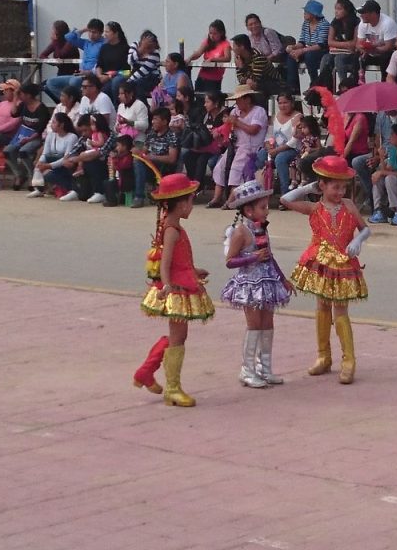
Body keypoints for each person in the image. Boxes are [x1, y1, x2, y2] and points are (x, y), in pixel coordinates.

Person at [280, 156, 369, 384]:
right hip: (320, 261)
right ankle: (323, 356)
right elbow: (286, 199)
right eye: (335, 186)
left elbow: (365, 229)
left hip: (343, 262)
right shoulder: (314, 208)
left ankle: (348, 361)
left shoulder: (349, 205)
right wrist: (308, 187)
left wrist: (358, 240)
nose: (340, 191)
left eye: (343, 187)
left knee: (340, 310)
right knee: (322, 307)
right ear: (322, 186)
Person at [133, 173, 215, 407]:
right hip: (177, 289)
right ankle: (172, 389)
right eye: (190, 201)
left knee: (178, 335)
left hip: (182, 281)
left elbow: (179, 260)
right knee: (179, 337)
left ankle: (146, 372)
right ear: (180, 204)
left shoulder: (172, 225)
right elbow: (166, 262)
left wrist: (193, 269)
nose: (191, 206)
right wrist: (168, 285)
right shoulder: (172, 229)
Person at [221, 180, 294, 388]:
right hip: (250, 284)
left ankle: (265, 368)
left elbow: (270, 256)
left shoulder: (262, 229)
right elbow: (229, 261)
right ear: (248, 210)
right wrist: (252, 257)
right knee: (253, 325)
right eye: (263, 207)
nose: (267, 211)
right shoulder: (241, 232)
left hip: (268, 281)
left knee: (267, 324)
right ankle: (247, 369)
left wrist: (283, 279)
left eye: (266, 206)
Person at [208, 84, 267, 208]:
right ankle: (216, 198)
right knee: (220, 167)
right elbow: (231, 130)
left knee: (236, 169)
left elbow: (254, 130)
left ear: (247, 99)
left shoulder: (259, 111)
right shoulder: (235, 111)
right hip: (234, 145)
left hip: (251, 147)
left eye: (239, 99)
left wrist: (237, 122)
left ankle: (231, 201)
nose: (237, 103)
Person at [5, 83, 51, 190]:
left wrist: (29, 139)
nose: (20, 96)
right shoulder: (23, 105)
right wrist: (15, 97)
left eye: (21, 94)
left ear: (29, 95)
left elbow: (40, 129)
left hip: (36, 137)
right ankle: (19, 174)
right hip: (23, 135)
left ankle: (32, 175)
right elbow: (13, 113)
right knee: (7, 151)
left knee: (24, 151)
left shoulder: (41, 108)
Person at [183, 90, 230, 190]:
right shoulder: (205, 115)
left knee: (202, 159)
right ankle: (191, 184)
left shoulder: (225, 116)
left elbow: (224, 137)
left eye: (207, 102)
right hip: (205, 145)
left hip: (218, 148)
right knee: (187, 155)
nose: (205, 105)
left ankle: (197, 188)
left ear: (216, 103)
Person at [256, 92, 301, 196]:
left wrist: (276, 150)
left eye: (285, 102)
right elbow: (269, 134)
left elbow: (294, 140)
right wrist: (268, 145)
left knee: (280, 159)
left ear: (292, 103)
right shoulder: (275, 116)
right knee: (261, 154)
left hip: (292, 149)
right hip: (275, 147)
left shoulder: (298, 117)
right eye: (280, 103)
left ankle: (285, 193)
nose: (283, 105)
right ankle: (262, 188)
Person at [29, 112, 80, 200]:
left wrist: (48, 166)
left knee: (51, 170)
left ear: (61, 125)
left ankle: (71, 189)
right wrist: (40, 162)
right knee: (41, 164)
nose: (51, 125)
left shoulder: (72, 137)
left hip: (66, 164)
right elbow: (45, 153)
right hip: (53, 161)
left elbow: (66, 158)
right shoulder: (51, 136)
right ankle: (39, 189)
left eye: (54, 122)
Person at [285, 0, 330, 93]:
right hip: (308, 49)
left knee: (310, 56)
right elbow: (302, 41)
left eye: (306, 12)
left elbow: (321, 45)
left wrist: (302, 51)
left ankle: (314, 83)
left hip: (320, 51)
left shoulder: (324, 24)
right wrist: (293, 47)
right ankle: (293, 86)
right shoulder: (306, 24)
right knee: (291, 57)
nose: (304, 14)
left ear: (313, 14)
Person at [138, 107, 182, 195]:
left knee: (140, 163)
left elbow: (172, 159)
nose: (152, 122)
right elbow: (144, 150)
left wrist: (153, 157)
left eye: (155, 119)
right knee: (136, 161)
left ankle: (139, 195)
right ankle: (137, 192)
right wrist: (139, 153)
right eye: (153, 119)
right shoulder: (151, 133)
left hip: (164, 166)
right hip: (149, 163)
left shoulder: (172, 136)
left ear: (165, 122)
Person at [319, 0, 360, 89]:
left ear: (347, 10)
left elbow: (354, 43)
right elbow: (330, 42)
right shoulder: (335, 22)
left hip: (351, 54)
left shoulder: (356, 22)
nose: (336, 12)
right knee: (326, 58)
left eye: (339, 9)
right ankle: (323, 86)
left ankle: (344, 85)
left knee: (339, 58)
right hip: (338, 51)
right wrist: (346, 44)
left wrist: (338, 44)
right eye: (335, 9)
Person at [356, 0, 397, 82]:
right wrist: (363, 49)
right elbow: (359, 43)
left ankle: (385, 83)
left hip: (385, 53)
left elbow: (389, 47)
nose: (361, 15)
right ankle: (358, 82)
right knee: (357, 58)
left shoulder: (387, 23)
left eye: (363, 13)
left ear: (373, 14)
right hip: (371, 53)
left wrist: (374, 49)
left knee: (387, 56)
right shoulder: (362, 24)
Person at [40, 19, 82, 102]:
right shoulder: (56, 43)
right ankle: (61, 103)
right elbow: (42, 55)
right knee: (44, 86)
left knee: (49, 85)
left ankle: (69, 103)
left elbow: (61, 55)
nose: (51, 32)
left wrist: (55, 41)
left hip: (72, 74)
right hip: (61, 74)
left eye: (53, 30)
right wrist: (52, 62)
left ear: (58, 33)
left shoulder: (70, 43)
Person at [232, 33, 285, 98]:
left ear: (242, 47)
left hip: (273, 83)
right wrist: (246, 80)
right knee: (241, 88)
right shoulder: (239, 58)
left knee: (254, 86)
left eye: (234, 46)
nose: (233, 49)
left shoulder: (258, 57)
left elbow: (255, 79)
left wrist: (242, 68)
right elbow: (239, 77)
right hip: (256, 83)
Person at [186, 20, 231, 94]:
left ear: (221, 33)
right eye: (210, 33)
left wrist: (213, 59)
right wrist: (189, 58)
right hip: (202, 77)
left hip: (214, 80)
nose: (212, 36)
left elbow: (227, 58)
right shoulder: (207, 42)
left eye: (215, 33)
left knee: (211, 101)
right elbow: (198, 52)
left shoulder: (225, 44)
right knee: (199, 99)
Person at [93, 21, 130, 102]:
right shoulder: (104, 48)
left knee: (108, 88)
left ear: (116, 33)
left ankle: (116, 106)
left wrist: (109, 76)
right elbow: (99, 65)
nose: (105, 34)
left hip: (118, 76)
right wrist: (99, 76)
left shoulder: (125, 48)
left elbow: (126, 71)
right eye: (104, 32)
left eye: (107, 32)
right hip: (104, 77)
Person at [125, 30, 162, 99]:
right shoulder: (135, 45)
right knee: (118, 82)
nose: (149, 49)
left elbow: (143, 71)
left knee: (138, 84)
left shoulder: (155, 54)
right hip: (135, 72)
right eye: (147, 46)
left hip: (151, 77)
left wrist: (128, 82)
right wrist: (141, 50)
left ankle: (142, 105)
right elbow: (129, 61)